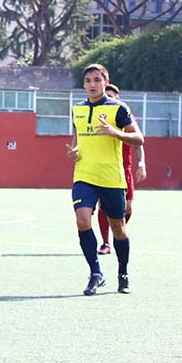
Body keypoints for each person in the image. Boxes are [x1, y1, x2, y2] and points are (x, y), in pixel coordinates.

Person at [67, 64, 144, 295]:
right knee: (82, 220)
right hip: (84, 175)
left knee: (118, 229)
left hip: (111, 177)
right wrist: (74, 151)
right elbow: (77, 139)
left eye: (97, 80)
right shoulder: (77, 110)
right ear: (84, 84)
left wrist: (115, 133)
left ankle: (123, 272)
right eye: (88, 80)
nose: (92, 84)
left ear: (105, 81)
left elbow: (138, 138)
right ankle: (95, 274)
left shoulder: (119, 109)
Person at [97, 83, 147, 255]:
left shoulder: (125, 116)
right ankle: (105, 242)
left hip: (124, 169)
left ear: (118, 99)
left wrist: (142, 164)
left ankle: (118, 232)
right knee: (103, 206)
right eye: (107, 96)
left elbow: (139, 142)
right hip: (104, 168)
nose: (109, 99)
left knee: (128, 208)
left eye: (112, 96)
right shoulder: (98, 116)